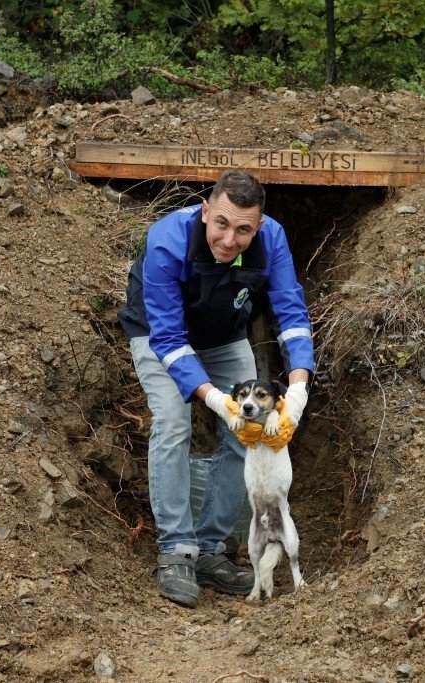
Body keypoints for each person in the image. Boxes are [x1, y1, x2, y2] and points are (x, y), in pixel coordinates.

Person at [119, 169, 313, 608]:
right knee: (174, 421)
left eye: (243, 230)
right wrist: (216, 401)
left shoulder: (272, 240)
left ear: (258, 227)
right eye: (221, 224)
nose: (229, 240)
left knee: (247, 431)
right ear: (205, 211)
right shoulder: (167, 241)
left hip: (223, 332)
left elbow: (291, 313)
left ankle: (210, 548)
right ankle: (176, 549)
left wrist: (298, 391)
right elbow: (170, 340)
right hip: (159, 332)